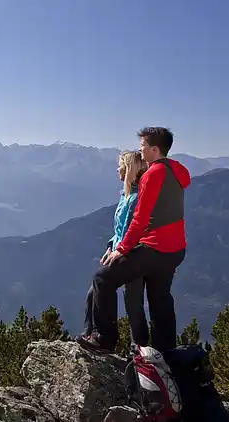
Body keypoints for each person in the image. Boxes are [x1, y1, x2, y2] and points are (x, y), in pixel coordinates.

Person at [78, 126, 191, 353]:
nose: (141, 151)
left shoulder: (153, 174)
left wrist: (122, 249)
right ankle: (164, 352)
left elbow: (140, 218)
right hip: (176, 249)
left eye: (143, 147)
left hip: (155, 247)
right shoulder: (176, 171)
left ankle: (104, 339)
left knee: (103, 278)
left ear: (154, 149)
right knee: (160, 298)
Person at [81, 150, 148, 346]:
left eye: (120, 165)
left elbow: (130, 230)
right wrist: (111, 246)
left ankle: (137, 348)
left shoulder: (135, 198)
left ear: (128, 169)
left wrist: (117, 251)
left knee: (132, 302)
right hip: (121, 250)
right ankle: (90, 334)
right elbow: (120, 231)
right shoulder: (126, 195)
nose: (117, 169)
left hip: (132, 254)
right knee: (98, 294)